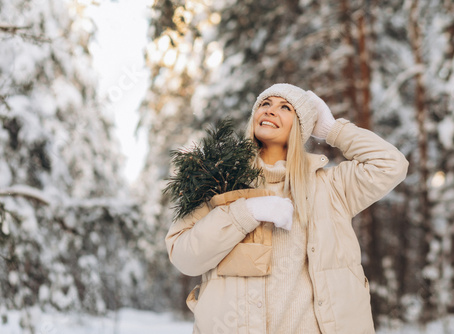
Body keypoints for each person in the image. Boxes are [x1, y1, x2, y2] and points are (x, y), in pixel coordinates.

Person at [165, 83, 409, 334]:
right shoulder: (219, 182)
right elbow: (185, 257)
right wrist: (245, 213)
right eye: (265, 104)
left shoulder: (332, 187)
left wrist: (332, 130)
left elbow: (392, 165)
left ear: (302, 125)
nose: (270, 111)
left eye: (285, 107)